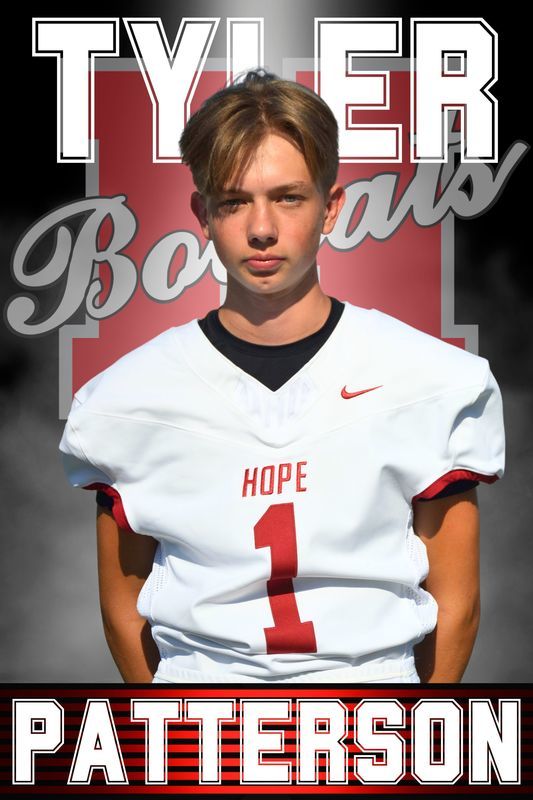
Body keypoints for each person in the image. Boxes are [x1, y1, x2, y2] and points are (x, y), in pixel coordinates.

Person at [59, 71, 505, 684]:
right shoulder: (126, 399)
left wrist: (413, 731)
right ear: (202, 214)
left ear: (331, 207)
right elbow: (123, 609)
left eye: (288, 197)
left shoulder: (429, 379)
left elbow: (457, 604)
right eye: (234, 201)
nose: (262, 228)